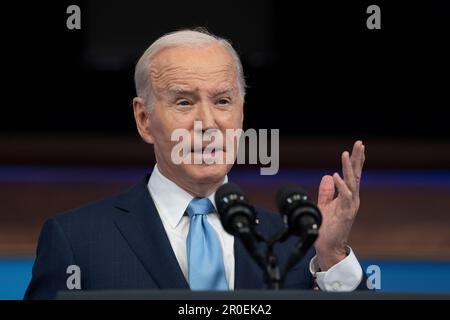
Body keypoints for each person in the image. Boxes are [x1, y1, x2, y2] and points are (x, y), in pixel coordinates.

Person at [25, 29, 367, 299]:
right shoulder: (77, 240)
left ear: (241, 115)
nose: (207, 122)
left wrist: (332, 255)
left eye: (222, 101)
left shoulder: (295, 243)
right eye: (185, 102)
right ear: (144, 119)